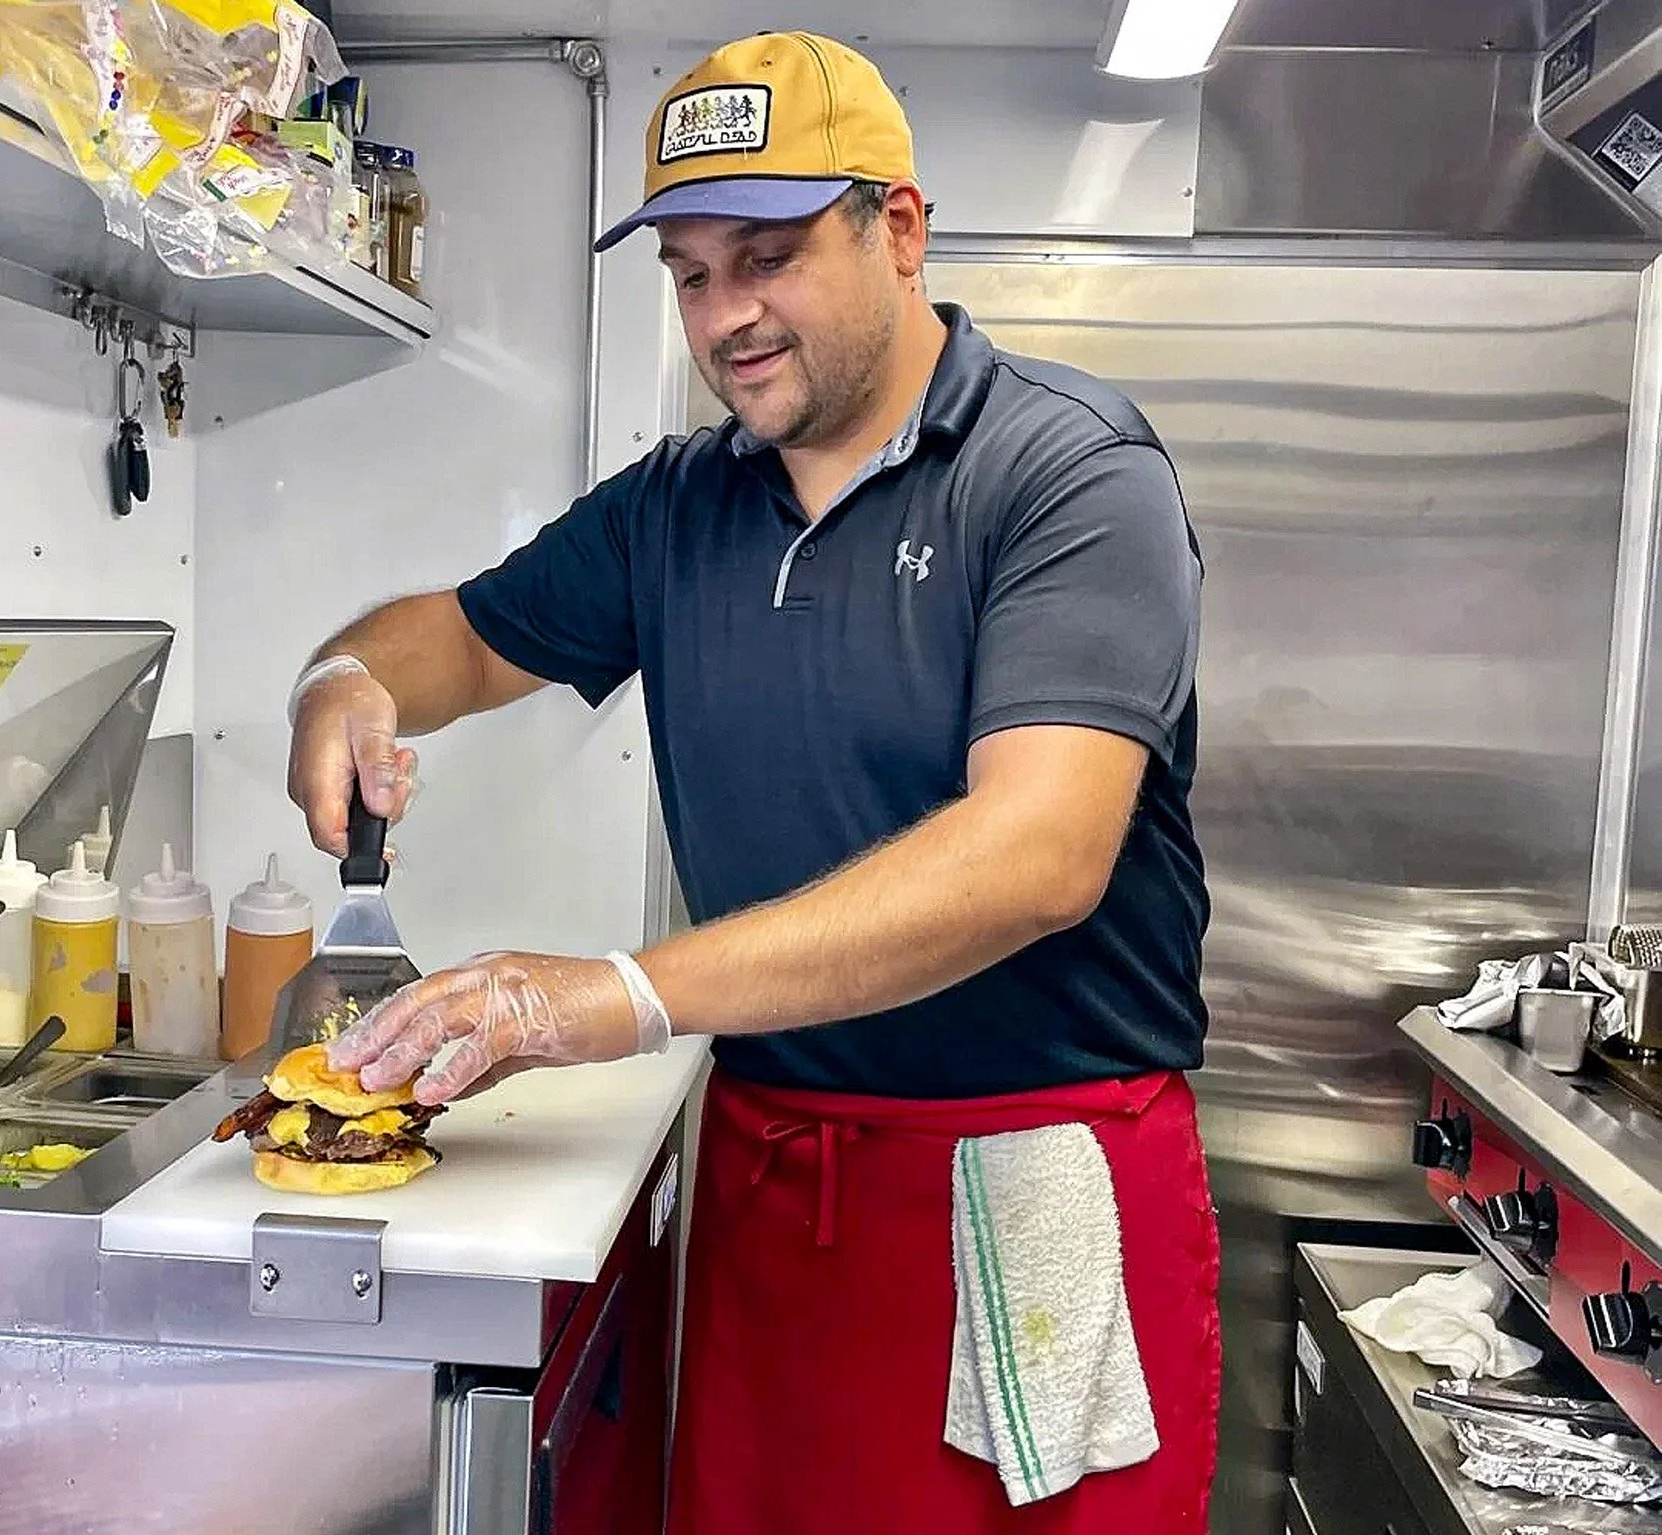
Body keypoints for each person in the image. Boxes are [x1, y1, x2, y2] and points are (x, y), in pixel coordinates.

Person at [286, 30, 1218, 1534]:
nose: (726, 316)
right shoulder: (681, 503)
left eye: (768, 257)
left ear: (898, 230)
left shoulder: (1066, 473)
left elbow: (1037, 853)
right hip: (778, 1187)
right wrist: (343, 679)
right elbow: (455, 638)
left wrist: (616, 994)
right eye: (691, 272)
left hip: (1030, 1183)